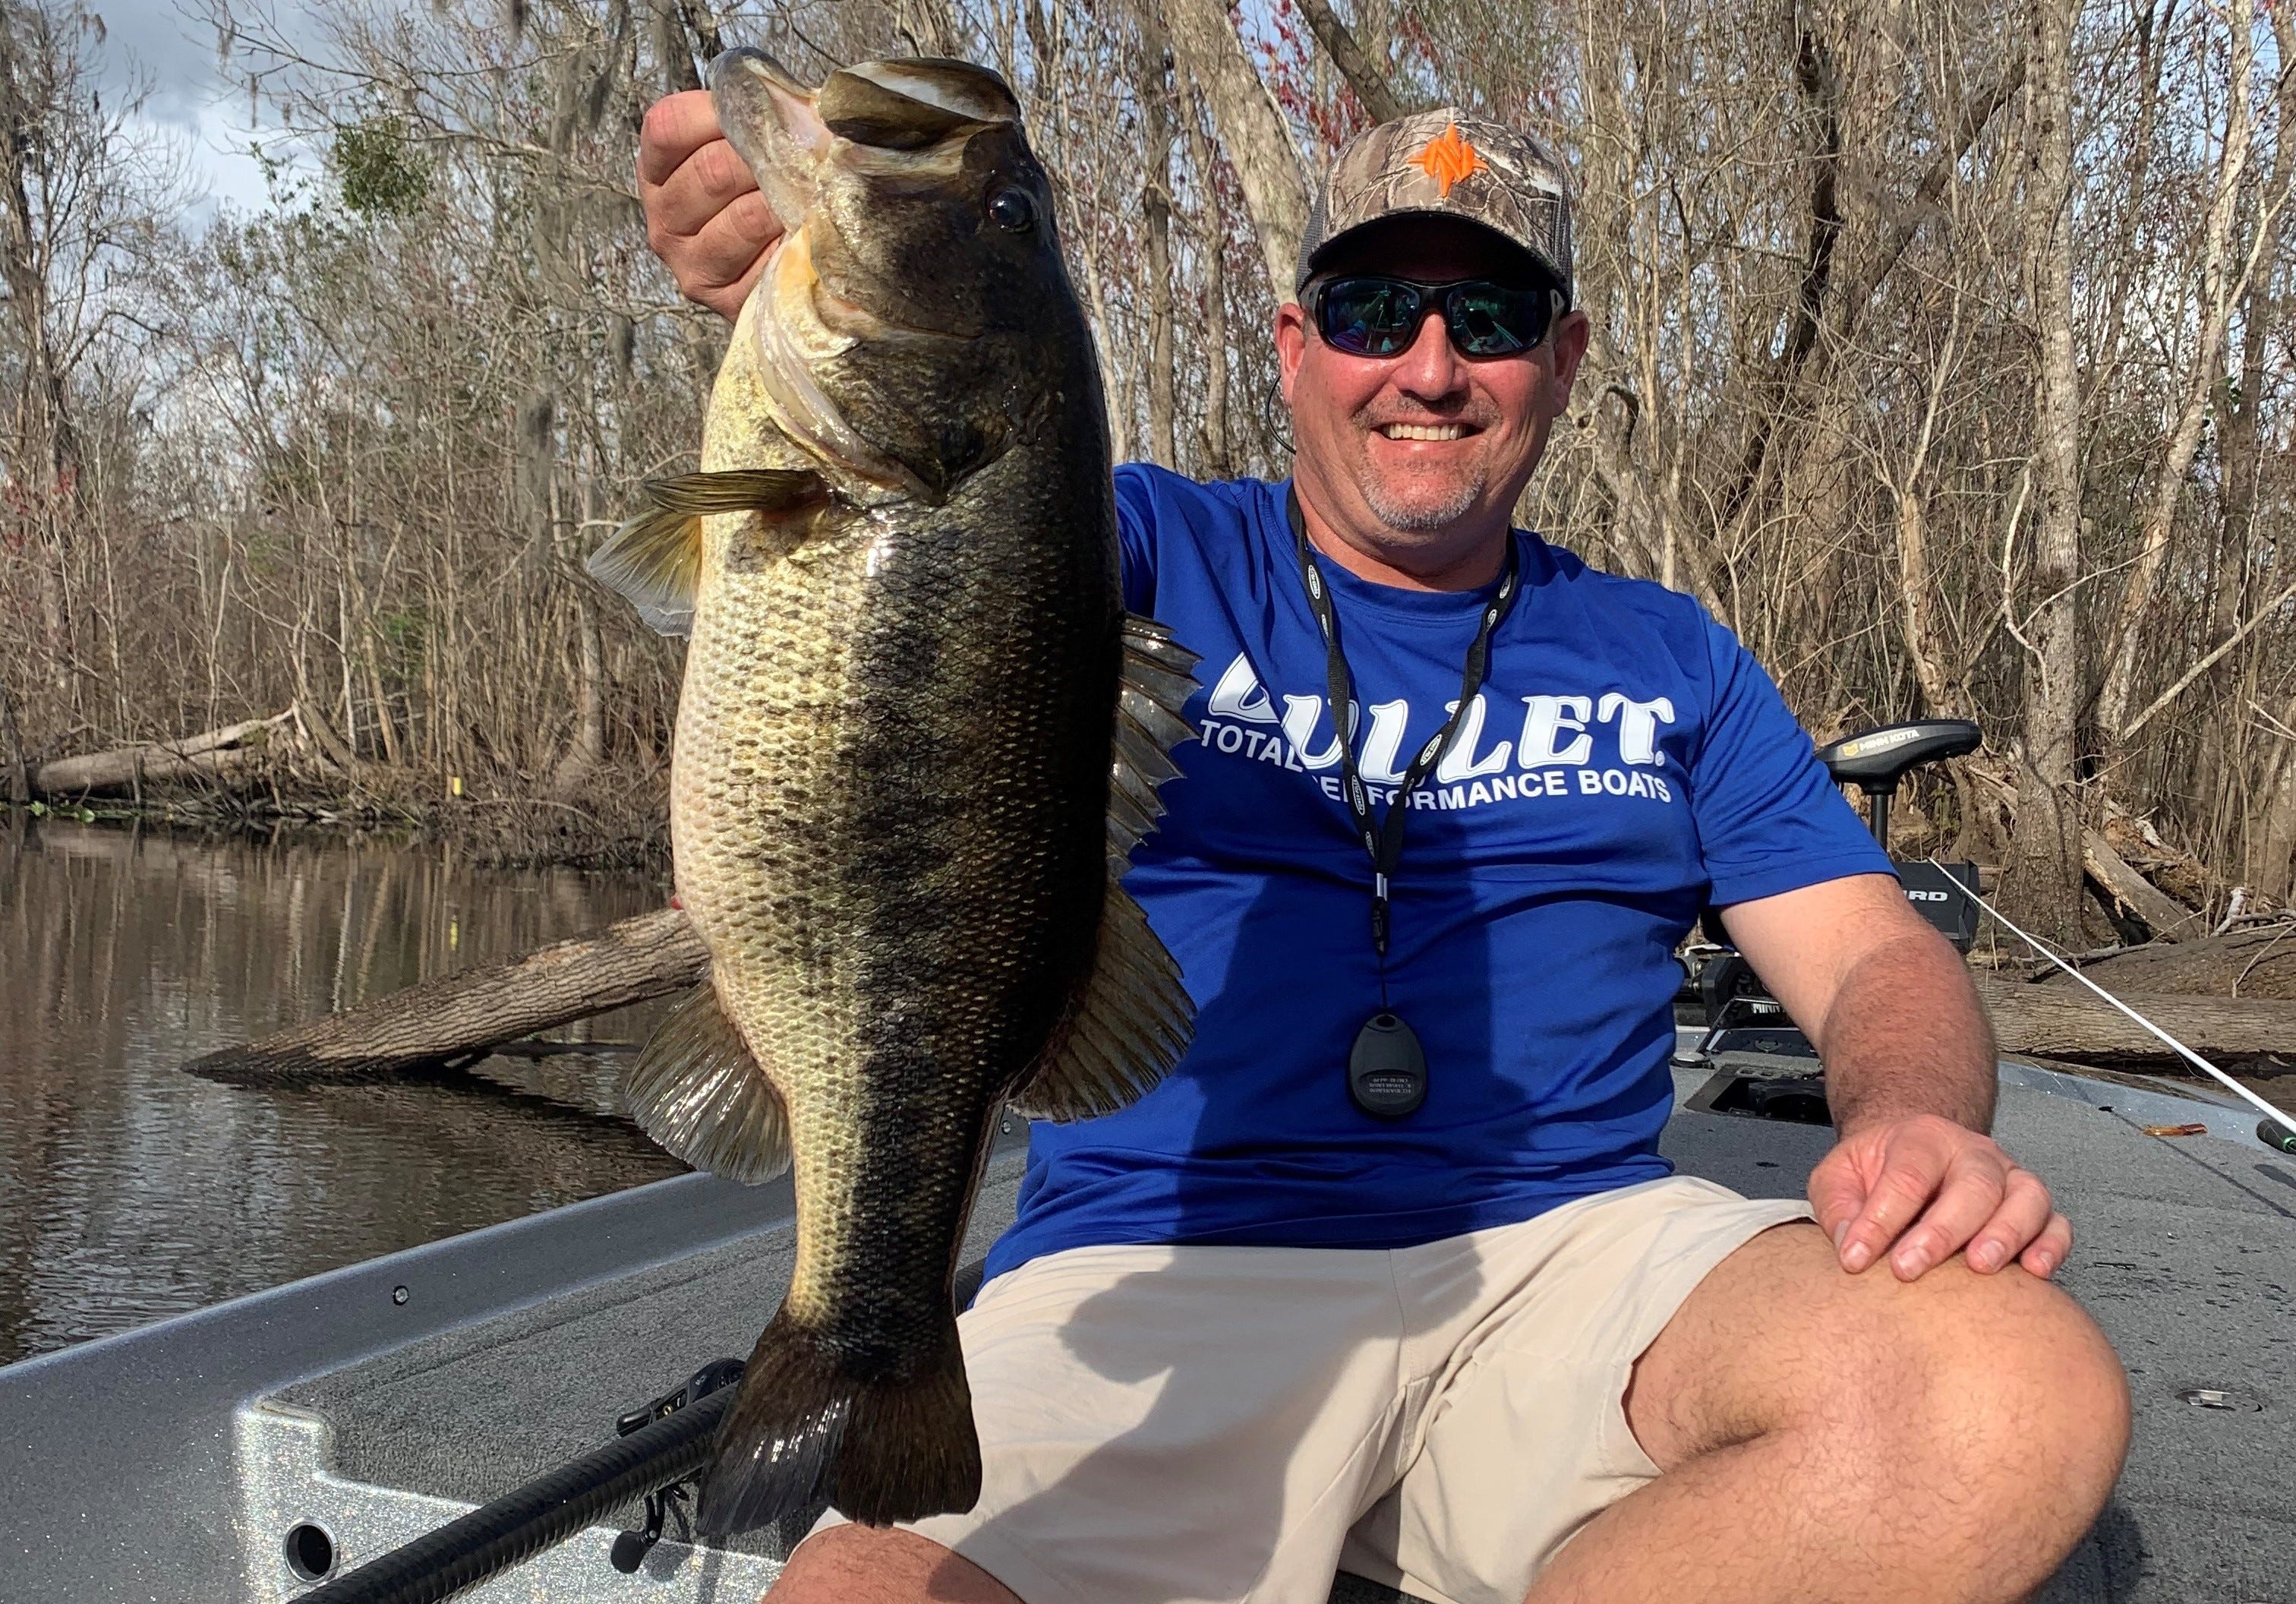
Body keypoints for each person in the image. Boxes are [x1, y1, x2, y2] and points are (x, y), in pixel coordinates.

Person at [636, 85, 2130, 1604]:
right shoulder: (1127, 552)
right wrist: (783, 293)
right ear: (1296, 351)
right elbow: (916, 554)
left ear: (1564, 361)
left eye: (1487, 314)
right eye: (1371, 307)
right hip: (1163, 1271)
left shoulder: (1671, 657)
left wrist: (1915, 1120)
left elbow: (1875, 951)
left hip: (1570, 1260)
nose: (1429, 368)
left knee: (2008, 1395)